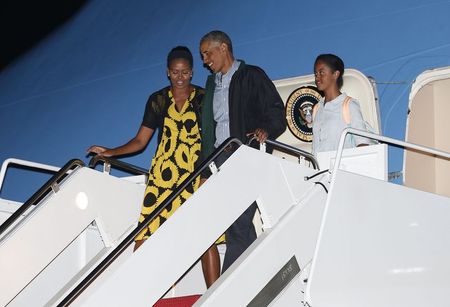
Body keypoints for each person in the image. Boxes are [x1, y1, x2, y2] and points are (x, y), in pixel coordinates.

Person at [87, 46, 218, 288]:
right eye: (175, 72)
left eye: (185, 72)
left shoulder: (202, 97)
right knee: (146, 233)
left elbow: (212, 137)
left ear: (192, 72)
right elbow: (140, 141)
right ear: (168, 72)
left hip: (195, 172)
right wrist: (109, 152)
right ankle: (136, 293)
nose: (180, 77)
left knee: (204, 234)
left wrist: (207, 172)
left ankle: (217, 296)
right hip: (163, 177)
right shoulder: (157, 100)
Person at [199, 30, 286, 277]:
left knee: (238, 224)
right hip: (219, 160)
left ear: (224, 47)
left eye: (208, 53)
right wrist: (206, 166)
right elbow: (209, 129)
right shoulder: (211, 86)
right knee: (235, 224)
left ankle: (226, 290)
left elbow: (276, 112)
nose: (205, 60)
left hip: (245, 155)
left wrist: (266, 130)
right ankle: (257, 275)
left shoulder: (251, 76)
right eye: (203, 55)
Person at [312, 54, 368, 155]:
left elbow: (362, 143)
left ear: (335, 74)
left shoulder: (349, 105)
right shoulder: (317, 108)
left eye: (322, 72)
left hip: (342, 168)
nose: (317, 78)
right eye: (316, 74)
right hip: (320, 169)